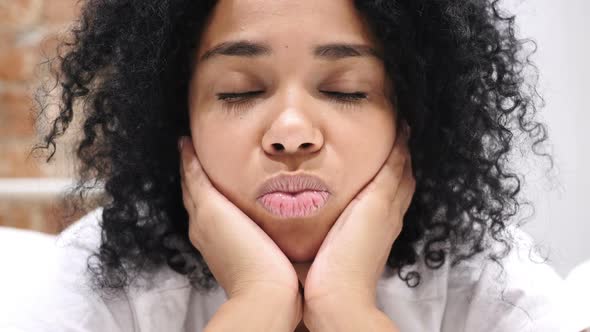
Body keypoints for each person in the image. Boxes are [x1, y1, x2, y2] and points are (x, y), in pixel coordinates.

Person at [0, 0, 576, 331]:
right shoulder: (102, 277)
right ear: (179, 117)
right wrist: (256, 301)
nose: (292, 134)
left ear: (412, 117)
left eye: (348, 90)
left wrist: (346, 305)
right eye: (238, 91)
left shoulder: (487, 279)